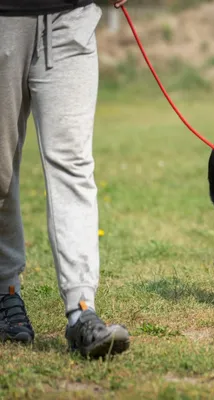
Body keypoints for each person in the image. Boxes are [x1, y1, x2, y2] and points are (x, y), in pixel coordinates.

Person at [0, 0, 130, 358]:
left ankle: (81, 310)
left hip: (70, 16)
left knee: (73, 163)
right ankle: (5, 291)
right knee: (1, 170)